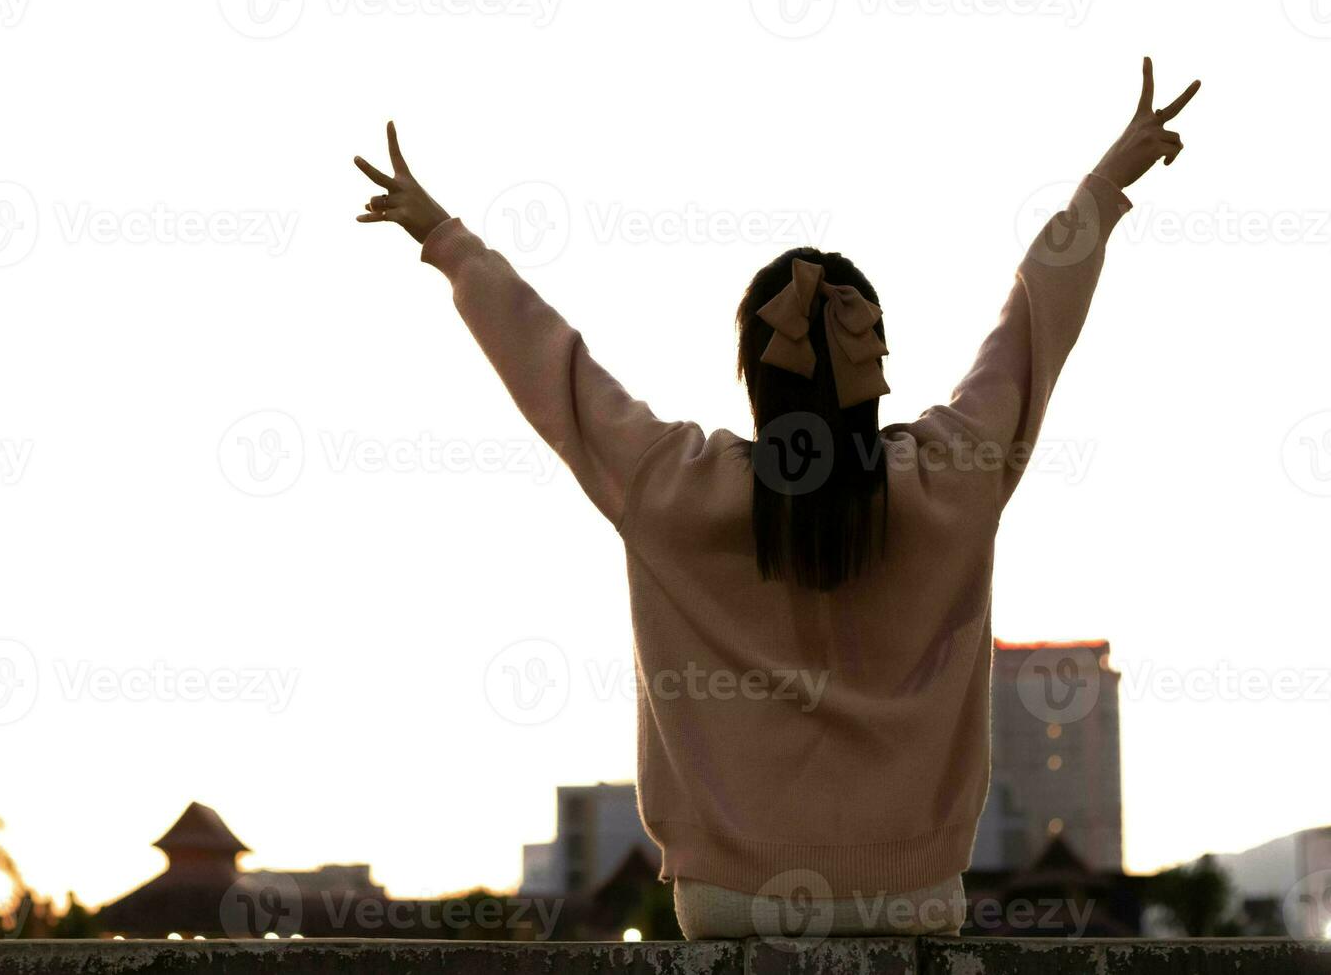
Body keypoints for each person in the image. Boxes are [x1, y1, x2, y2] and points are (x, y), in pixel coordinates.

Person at [354, 58, 1200, 939]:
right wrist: (1105, 186)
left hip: (730, 897)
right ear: (874, 364)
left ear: (754, 371)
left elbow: (554, 364)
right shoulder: (956, 473)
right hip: (910, 892)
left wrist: (443, 236)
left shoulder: (673, 485)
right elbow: (1033, 321)